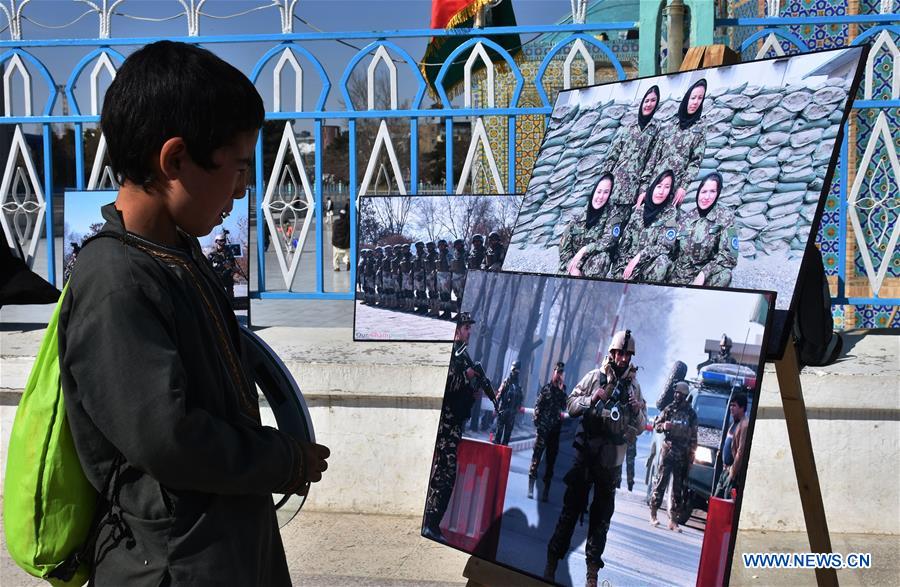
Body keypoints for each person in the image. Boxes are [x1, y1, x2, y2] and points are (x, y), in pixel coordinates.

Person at [57, 41, 329, 586]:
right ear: (175, 159)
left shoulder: (179, 254)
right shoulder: (115, 279)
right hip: (171, 564)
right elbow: (169, 440)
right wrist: (283, 460)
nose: (244, 186)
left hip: (224, 549)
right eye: (236, 166)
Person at [545, 331, 646, 587]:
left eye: (626, 354)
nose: (622, 359)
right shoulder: (594, 377)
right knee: (570, 510)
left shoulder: (634, 387)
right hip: (586, 454)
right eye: (619, 353)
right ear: (612, 353)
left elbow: (640, 427)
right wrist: (592, 399)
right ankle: (551, 564)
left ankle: (592, 575)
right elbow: (570, 405)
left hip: (611, 460)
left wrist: (636, 410)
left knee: (601, 518)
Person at [423, 312, 489, 542]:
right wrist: (467, 375)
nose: (469, 331)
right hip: (446, 425)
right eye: (466, 328)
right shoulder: (451, 352)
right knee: (444, 474)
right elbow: (447, 382)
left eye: (470, 328)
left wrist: (473, 391)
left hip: (455, 425)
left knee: (445, 474)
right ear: (456, 329)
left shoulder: (463, 355)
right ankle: (430, 523)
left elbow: (461, 389)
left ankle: (432, 523)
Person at [638, 78, 709, 208]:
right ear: (687, 98)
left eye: (700, 98)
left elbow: (695, 162)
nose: (695, 102)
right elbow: (653, 158)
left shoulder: (700, 130)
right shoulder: (670, 125)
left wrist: (683, 187)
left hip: (674, 189)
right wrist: (643, 188)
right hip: (654, 185)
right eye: (693, 98)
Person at [599, 84, 662, 218]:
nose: (649, 104)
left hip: (632, 192)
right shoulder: (628, 128)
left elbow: (651, 163)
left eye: (653, 101)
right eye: (646, 100)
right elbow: (613, 156)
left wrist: (643, 190)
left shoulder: (656, 131)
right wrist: (604, 180)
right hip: (613, 188)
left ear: (657, 104)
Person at [671, 172, 739, 287]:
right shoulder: (686, 218)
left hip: (707, 278)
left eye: (712, 191)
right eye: (703, 192)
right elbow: (673, 250)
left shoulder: (727, 217)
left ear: (718, 194)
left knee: (725, 274)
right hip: (681, 275)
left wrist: (704, 273)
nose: (707, 197)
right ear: (698, 193)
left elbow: (731, 255)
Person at [611, 169, 680, 282]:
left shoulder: (671, 213)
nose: (661, 191)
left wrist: (639, 257)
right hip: (628, 263)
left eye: (667, 187)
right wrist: (623, 265)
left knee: (662, 261)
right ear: (652, 187)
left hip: (648, 264)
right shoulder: (639, 211)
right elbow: (625, 242)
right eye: (659, 186)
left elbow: (665, 246)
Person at [649, 381, 698, 532]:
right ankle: (653, 514)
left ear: (684, 395)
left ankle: (673, 520)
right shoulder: (669, 409)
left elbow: (694, 437)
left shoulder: (690, 414)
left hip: (682, 454)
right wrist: (663, 426)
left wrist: (691, 457)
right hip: (668, 451)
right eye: (676, 393)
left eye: (679, 394)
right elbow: (656, 425)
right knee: (661, 483)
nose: (677, 396)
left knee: (678, 488)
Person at [558, 173, 626, 278]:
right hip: (572, 265)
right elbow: (564, 248)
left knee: (603, 257)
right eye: (599, 191)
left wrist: (586, 249)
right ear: (594, 191)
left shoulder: (614, 215)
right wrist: (572, 268)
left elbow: (610, 240)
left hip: (592, 265)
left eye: (606, 192)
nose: (601, 197)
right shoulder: (579, 215)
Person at [529, 361, 567, 502]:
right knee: (536, 459)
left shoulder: (563, 391)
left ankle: (545, 491)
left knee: (550, 462)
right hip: (543, 430)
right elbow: (538, 405)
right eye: (557, 372)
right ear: (553, 373)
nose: (559, 376)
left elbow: (564, 406)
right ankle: (531, 487)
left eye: (561, 374)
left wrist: (562, 390)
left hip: (554, 432)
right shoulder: (546, 389)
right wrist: (537, 422)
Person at [715, 394, 749, 499]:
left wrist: (732, 473)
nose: (731, 408)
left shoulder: (745, 425)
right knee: (717, 500)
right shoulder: (733, 423)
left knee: (727, 501)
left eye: (734, 405)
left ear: (742, 408)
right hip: (724, 471)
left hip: (732, 472)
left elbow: (741, 451)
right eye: (730, 405)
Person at [493, 361, 523, 446]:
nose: (515, 373)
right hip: (503, 411)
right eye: (514, 370)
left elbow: (520, 399)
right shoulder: (506, 382)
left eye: (517, 371)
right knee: (497, 438)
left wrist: (517, 408)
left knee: (506, 440)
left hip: (511, 414)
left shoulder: (518, 386)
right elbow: (499, 395)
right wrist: (496, 409)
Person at [207, 230, 238, 301]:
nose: (223, 242)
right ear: (216, 241)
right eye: (221, 240)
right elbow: (208, 266)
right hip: (217, 276)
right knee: (217, 294)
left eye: (224, 240)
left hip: (227, 275)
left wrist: (232, 271)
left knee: (230, 293)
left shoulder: (229, 252)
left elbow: (232, 264)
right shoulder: (212, 254)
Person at [331, 202, 351, 271]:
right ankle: (347, 262)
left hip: (336, 243)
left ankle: (336, 267)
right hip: (346, 243)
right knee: (346, 255)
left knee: (335, 256)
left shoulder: (336, 222)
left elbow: (333, 231)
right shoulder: (348, 223)